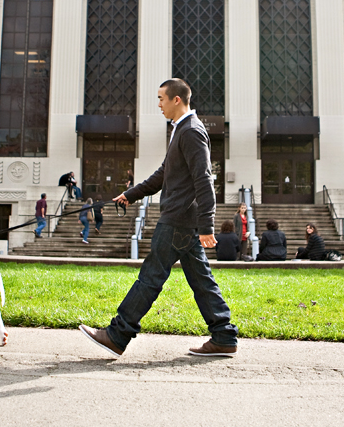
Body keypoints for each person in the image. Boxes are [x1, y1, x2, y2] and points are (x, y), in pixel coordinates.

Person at [79, 78, 238, 358]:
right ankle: (223, 336)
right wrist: (131, 194)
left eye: (161, 98)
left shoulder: (190, 131)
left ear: (177, 99)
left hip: (177, 220)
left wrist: (207, 225)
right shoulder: (181, 130)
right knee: (201, 280)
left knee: (150, 277)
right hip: (182, 223)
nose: (159, 104)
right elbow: (164, 174)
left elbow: (204, 180)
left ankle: (118, 334)